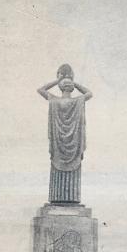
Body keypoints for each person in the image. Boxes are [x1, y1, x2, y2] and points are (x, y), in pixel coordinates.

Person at [37, 64, 93, 205]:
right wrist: (73, 82)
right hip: (73, 148)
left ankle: (57, 198)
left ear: (61, 88)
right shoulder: (78, 101)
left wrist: (58, 80)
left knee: (57, 172)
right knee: (73, 175)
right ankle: (71, 199)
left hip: (58, 146)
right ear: (71, 88)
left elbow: (40, 90)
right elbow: (89, 93)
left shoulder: (54, 101)